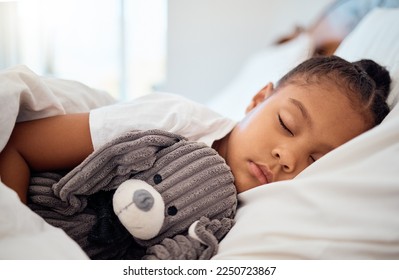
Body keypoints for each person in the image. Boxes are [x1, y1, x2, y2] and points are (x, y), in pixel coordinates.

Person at [0, 55, 391, 204]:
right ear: (257, 100)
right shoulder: (172, 122)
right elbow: (19, 144)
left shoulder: (250, 206)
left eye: (315, 160)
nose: (288, 159)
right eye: (287, 125)